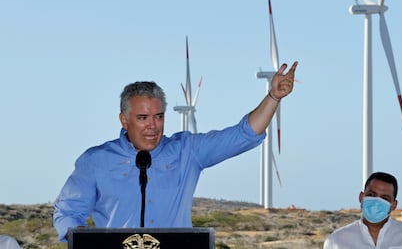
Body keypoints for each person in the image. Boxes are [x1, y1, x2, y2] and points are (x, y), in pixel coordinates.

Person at [53, 61, 298, 241]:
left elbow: (242, 135)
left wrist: (273, 98)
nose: (152, 125)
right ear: (123, 120)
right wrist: (86, 241)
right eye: (142, 118)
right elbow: (67, 213)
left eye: (158, 117)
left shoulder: (187, 151)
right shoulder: (95, 161)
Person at [323, 171, 402, 248]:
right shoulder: (336, 241)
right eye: (371, 195)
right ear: (361, 197)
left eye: (384, 198)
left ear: (394, 205)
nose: (376, 202)